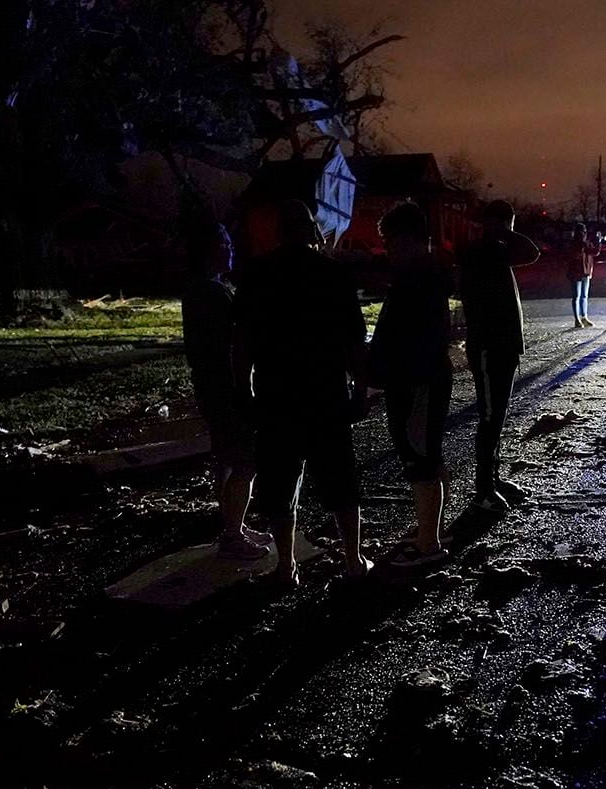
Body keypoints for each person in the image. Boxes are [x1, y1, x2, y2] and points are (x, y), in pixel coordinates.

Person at [232, 200, 373, 585]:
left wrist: (243, 388)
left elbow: (242, 341)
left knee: (279, 483)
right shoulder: (333, 275)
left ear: (279, 233)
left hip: (276, 396)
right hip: (326, 395)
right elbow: (354, 343)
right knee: (340, 481)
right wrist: (360, 390)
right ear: (313, 232)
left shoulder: (257, 275)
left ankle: (285, 566)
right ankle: (353, 560)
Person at [369, 202, 454, 567]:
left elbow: (405, 336)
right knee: (427, 454)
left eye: (390, 242)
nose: (387, 250)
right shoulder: (426, 273)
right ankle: (430, 530)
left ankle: (429, 544)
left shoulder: (416, 277)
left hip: (417, 379)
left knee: (420, 457)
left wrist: (375, 366)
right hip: (425, 376)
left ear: (407, 239)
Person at [182, 219, 272, 559]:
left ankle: (233, 523)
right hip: (225, 389)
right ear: (210, 250)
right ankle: (233, 535)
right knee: (246, 461)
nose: (231, 249)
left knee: (228, 459)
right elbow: (235, 341)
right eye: (225, 244)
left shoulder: (197, 290)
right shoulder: (213, 293)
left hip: (211, 388)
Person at [456, 199, 542, 513]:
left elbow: (528, 252)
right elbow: (530, 251)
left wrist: (501, 231)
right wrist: (503, 230)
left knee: (497, 418)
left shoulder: (490, 250)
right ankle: (483, 489)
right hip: (490, 348)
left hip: (501, 347)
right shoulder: (482, 251)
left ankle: (492, 480)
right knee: (491, 419)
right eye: (508, 223)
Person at [566, 222, 596, 329]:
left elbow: (594, 252)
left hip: (585, 273)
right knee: (577, 296)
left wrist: (598, 242)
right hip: (576, 273)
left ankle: (584, 317)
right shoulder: (574, 244)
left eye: (584, 232)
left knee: (583, 296)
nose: (583, 234)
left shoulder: (586, 243)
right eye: (582, 232)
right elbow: (574, 256)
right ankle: (577, 319)